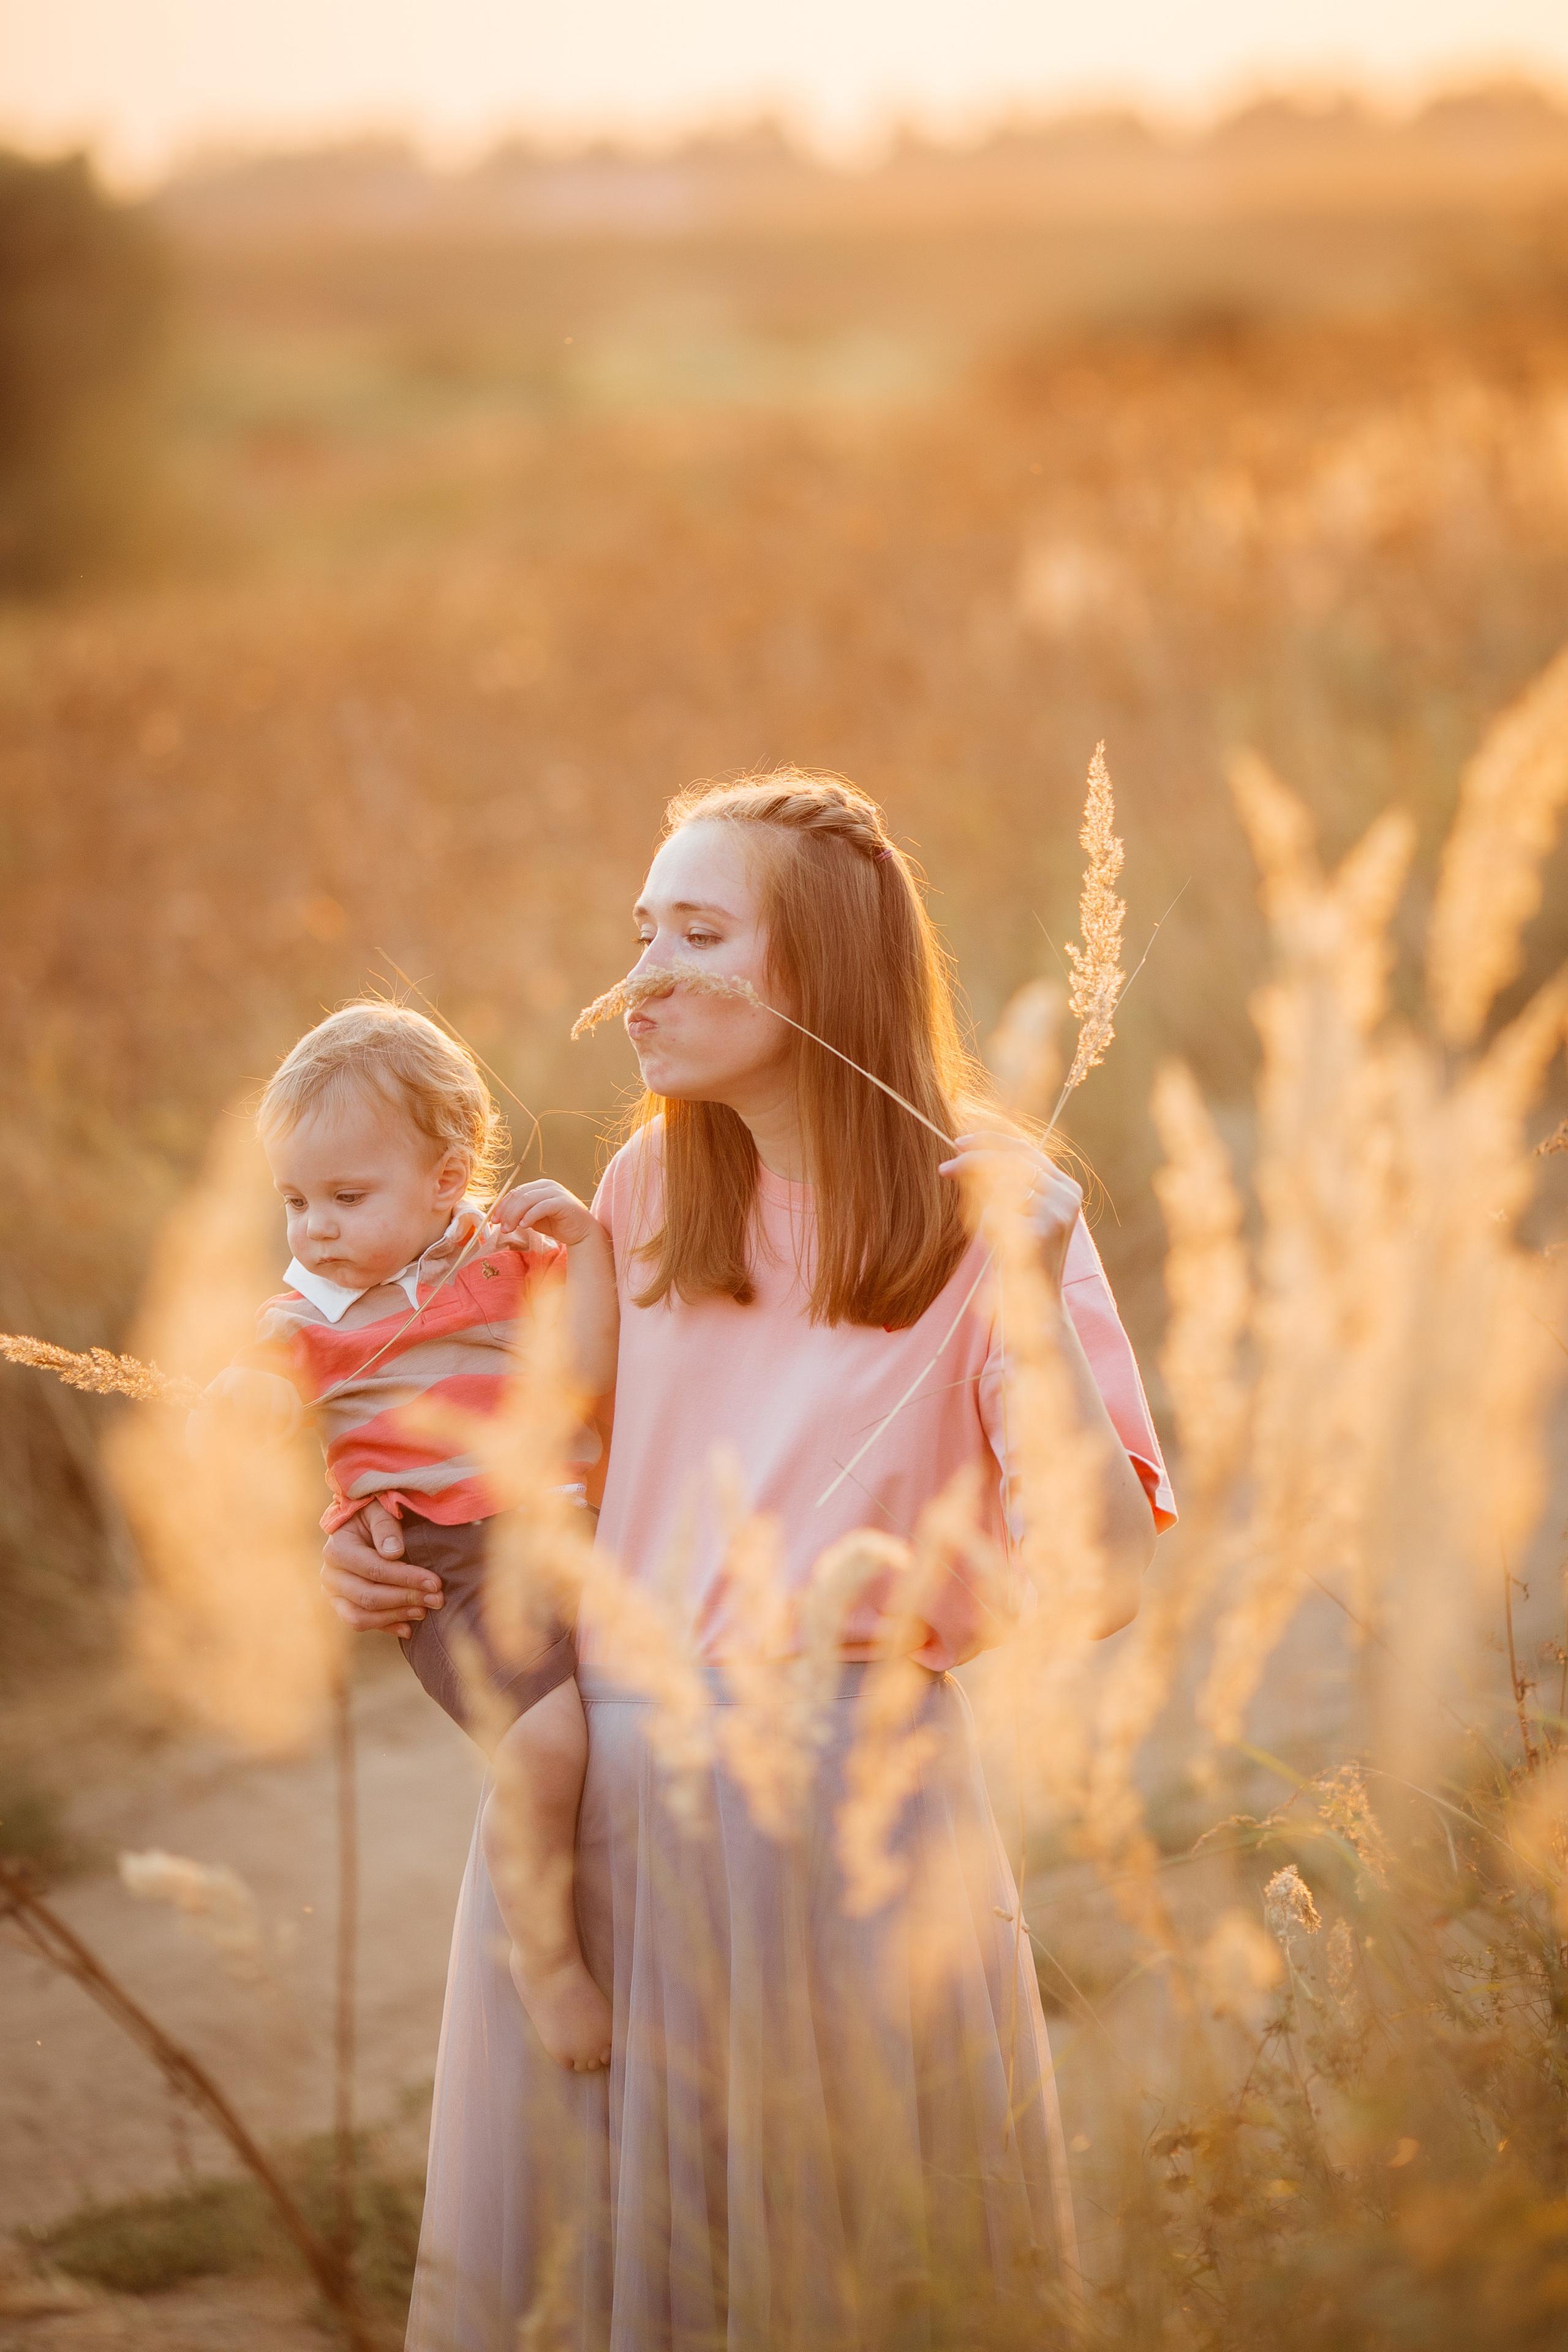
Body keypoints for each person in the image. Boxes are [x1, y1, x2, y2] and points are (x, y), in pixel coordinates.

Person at [323, 776, 1175, 2350]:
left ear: (825, 971)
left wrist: (1029, 1299)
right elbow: (500, 1475)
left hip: (850, 1830)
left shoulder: (988, 1213)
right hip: (617, 1816)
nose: (641, 973)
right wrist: (367, 1543)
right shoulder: (647, 1193)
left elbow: (1108, 1580)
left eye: (696, 934)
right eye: (639, 929)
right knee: (610, 2284)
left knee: (855, 2282)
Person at [194, 1001, 619, 2068]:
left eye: (345, 1196)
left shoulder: (510, 1258)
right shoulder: (314, 1316)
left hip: (565, 1527)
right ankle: (547, 1956)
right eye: (295, 1201)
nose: (316, 1230)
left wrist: (590, 1250)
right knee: (547, 1742)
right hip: (450, 1560)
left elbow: (588, 1377)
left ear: (447, 1176)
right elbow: (263, 1382)